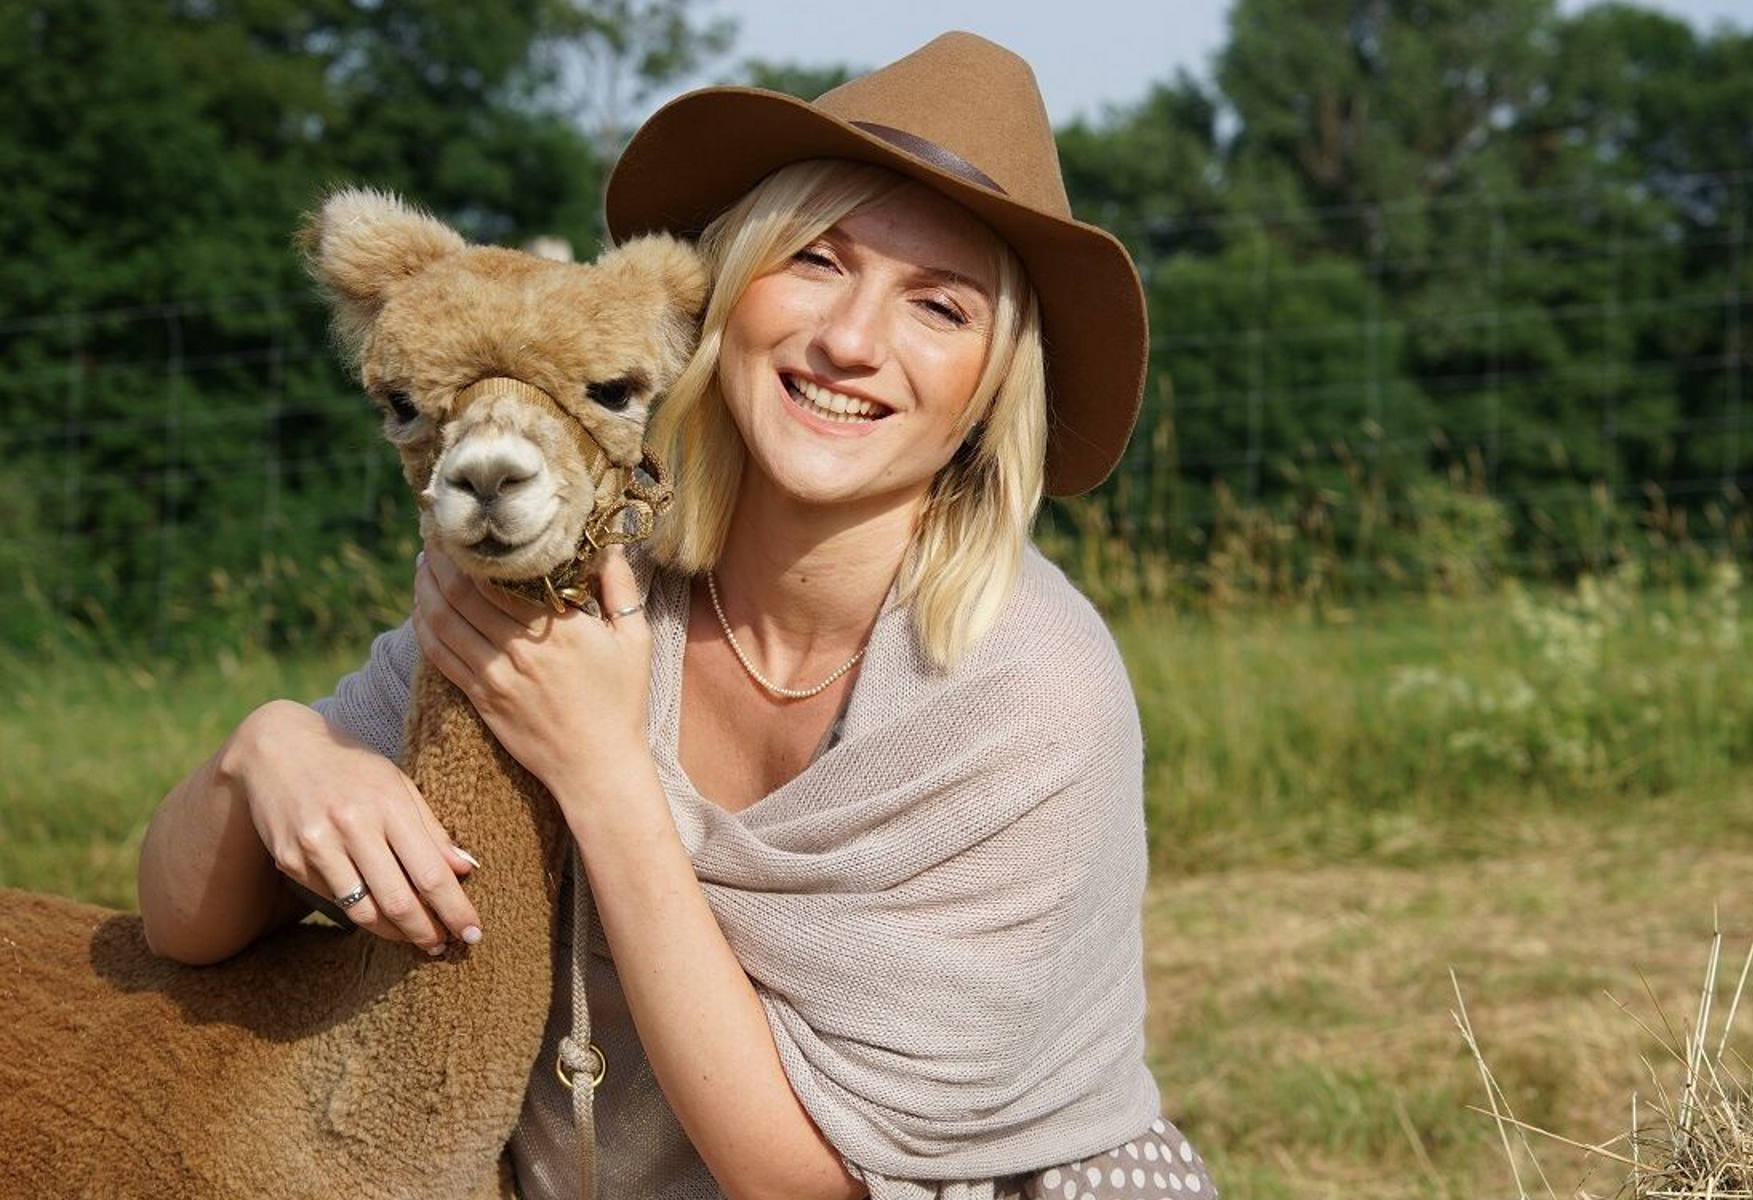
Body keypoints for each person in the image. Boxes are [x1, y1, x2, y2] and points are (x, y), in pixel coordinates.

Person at [137, 30, 1217, 1200]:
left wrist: (602, 773)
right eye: (814, 259)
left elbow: (811, 1184)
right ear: (722, 292)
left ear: (991, 390)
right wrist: (272, 755)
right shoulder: (585, 584)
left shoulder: (1028, 700)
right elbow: (181, 924)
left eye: (939, 308)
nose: (851, 341)